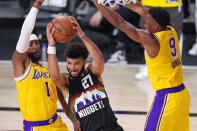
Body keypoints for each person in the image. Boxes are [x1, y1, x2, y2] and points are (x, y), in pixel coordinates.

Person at [91, 0, 190, 131]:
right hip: (182, 95)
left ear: (156, 26)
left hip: (167, 98)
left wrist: (98, 4)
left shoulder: (153, 41)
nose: (144, 24)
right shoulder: (169, 28)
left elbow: (119, 22)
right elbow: (148, 13)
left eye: (147, 23)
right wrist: (135, 6)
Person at [12, 0, 80, 131]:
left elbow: (62, 97)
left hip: (57, 124)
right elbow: (25, 32)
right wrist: (37, 4)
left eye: (37, 43)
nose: (35, 46)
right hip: (36, 128)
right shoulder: (20, 66)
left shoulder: (47, 69)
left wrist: (74, 119)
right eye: (30, 44)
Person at [46, 16, 124, 131]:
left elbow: (99, 59)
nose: (72, 68)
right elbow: (54, 77)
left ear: (84, 61)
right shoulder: (66, 82)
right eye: (69, 63)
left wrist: (81, 34)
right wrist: (51, 45)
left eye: (76, 63)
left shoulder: (93, 72)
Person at [135, 0, 184, 80]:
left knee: (173, 35)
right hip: (148, 3)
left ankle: (174, 68)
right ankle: (150, 67)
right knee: (148, 35)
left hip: (171, 4)